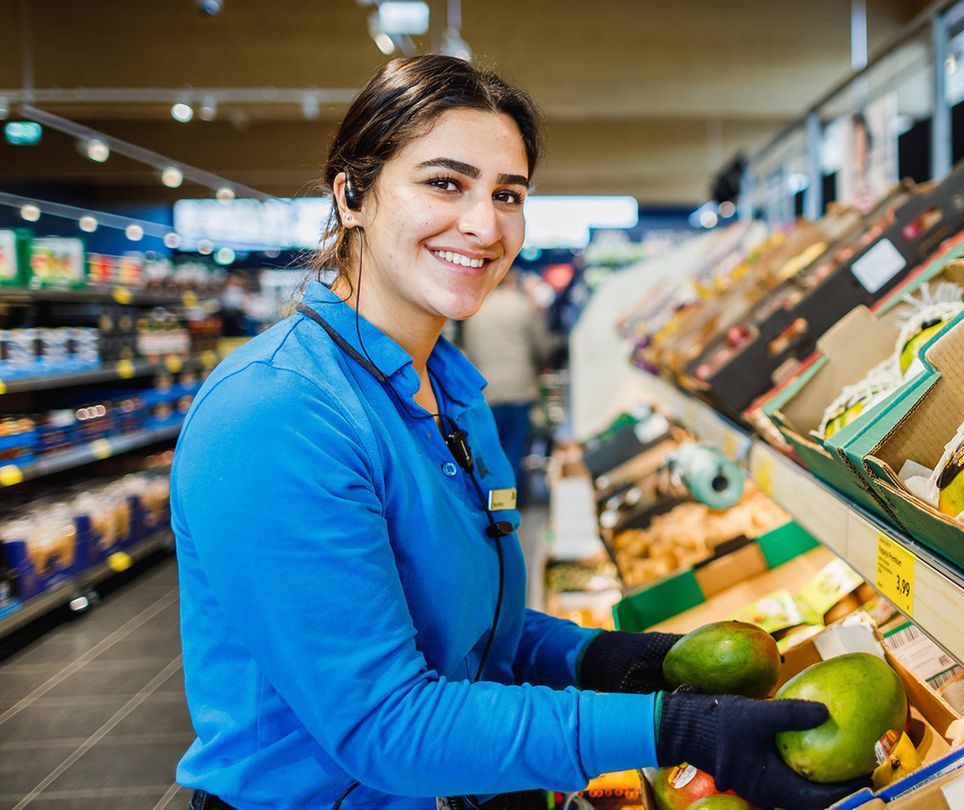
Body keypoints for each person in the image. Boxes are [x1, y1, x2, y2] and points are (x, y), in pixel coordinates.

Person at [170, 56, 864, 810]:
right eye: (445, 182)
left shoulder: (452, 395)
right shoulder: (278, 414)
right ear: (353, 194)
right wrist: (672, 729)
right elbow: (386, 725)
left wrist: (609, 658)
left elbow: (466, 633)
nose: (484, 224)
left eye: (508, 194)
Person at [460, 270, 552, 507]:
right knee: (514, 449)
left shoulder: (476, 311)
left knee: (491, 450)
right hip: (520, 390)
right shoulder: (522, 306)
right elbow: (541, 348)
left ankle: (495, 503)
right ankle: (511, 505)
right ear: (512, 281)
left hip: (487, 392)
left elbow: (469, 352)